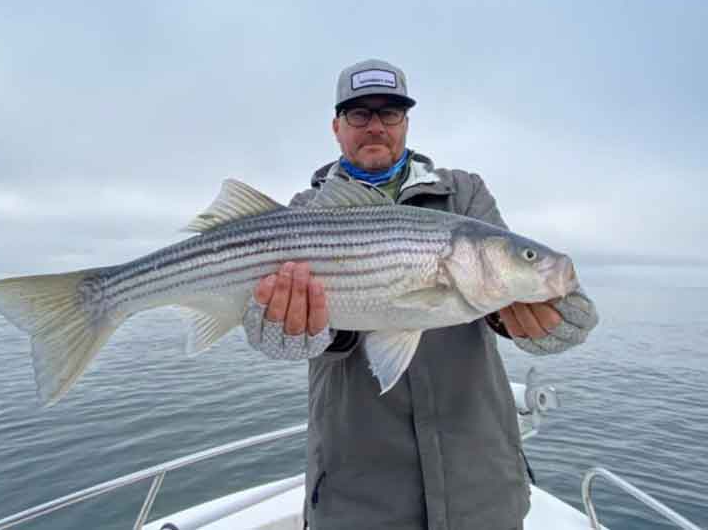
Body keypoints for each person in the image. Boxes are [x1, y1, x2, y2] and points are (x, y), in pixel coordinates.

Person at [242, 59, 599, 530]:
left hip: (482, 490)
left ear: (407, 122)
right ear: (336, 126)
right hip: (356, 498)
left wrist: (557, 312)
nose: (375, 126)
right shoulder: (306, 213)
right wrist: (284, 333)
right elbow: (258, 325)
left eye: (390, 113)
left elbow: (531, 289)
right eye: (358, 114)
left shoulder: (463, 195)